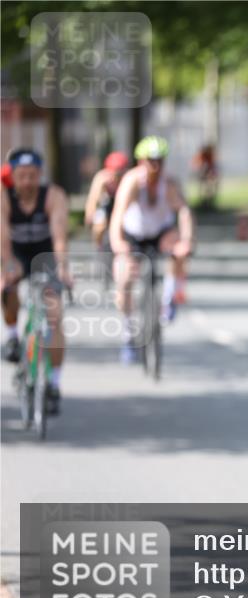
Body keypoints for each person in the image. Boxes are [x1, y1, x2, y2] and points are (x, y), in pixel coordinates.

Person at [109, 136, 196, 364]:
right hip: (134, 233)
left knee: (179, 250)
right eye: (150, 161)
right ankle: (129, 334)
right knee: (124, 278)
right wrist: (119, 245)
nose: (155, 166)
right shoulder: (132, 182)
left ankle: (169, 298)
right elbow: (117, 215)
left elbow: (184, 212)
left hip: (160, 232)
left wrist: (186, 240)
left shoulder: (169, 183)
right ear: (141, 161)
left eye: (159, 161)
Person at [0, 148, 73, 415]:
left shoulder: (53, 196)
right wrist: (7, 266)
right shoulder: (4, 197)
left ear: (40, 175)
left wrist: (63, 267)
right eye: (22, 176)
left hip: (45, 255)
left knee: (54, 315)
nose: (28, 182)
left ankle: (53, 383)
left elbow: (59, 237)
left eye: (33, 176)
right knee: (8, 287)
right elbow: (3, 238)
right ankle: (11, 336)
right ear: (13, 176)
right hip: (16, 254)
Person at [83, 151, 129, 250]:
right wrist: (90, 216)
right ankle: (99, 247)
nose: (114, 176)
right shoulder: (101, 178)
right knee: (99, 224)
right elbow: (92, 200)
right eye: (112, 172)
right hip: (107, 204)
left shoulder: (128, 179)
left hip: (122, 205)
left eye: (118, 173)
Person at [191, 144, 219, 210]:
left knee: (211, 185)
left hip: (207, 175)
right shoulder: (200, 156)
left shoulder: (210, 157)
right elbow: (197, 167)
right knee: (204, 187)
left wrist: (211, 175)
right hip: (201, 174)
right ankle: (204, 202)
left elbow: (213, 168)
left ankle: (209, 202)